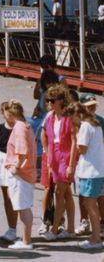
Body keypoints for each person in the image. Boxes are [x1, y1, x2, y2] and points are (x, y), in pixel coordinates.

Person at [42, 83, 77, 240]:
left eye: (52, 99)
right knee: (67, 194)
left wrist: (70, 165)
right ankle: (70, 229)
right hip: (55, 156)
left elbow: (74, 141)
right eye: (48, 99)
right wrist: (49, 160)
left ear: (61, 100)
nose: (49, 102)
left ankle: (55, 230)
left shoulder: (68, 117)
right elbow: (48, 139)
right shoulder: (50, 118)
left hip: (66, 155)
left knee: (59, 192)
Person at [2, 99, 36, 250]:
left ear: (10, 113)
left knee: (23, 207)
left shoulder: (20, 127)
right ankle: (25, 239)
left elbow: (22, 150)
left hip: (21, 173)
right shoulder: (25, 125)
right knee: (23, 206)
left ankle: (26, 241)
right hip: (25, 172)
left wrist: (16, 167)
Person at [74, 101, 104, 250]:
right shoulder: (95, 124)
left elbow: (82, 149)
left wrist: (76, 134)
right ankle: (95, 236)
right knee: (91, 204)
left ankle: (96, 238)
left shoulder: (85, 126)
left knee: (90, 205)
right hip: (96, 170)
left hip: (90, 171)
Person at [0, 104, 18, 242]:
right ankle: (11, 227)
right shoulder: (0, 128)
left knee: (13, 196)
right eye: (7, 113)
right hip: (2, 159)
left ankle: (14, 228)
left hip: (13, 160)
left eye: (12, 112)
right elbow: (0, 143)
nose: (10, 115)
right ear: (3, 113)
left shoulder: (19, 128)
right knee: (6, 197)